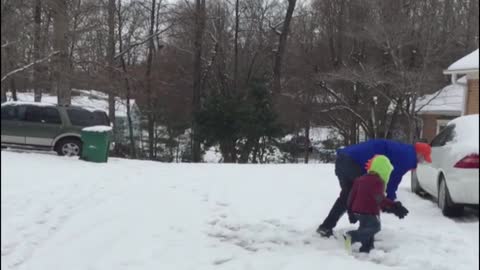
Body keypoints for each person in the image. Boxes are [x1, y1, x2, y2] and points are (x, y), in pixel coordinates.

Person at [316, 139, 432, 237]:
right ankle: (364, 232)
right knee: (367, 194)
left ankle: (326, 227)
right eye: (424, 158)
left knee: (348, 196)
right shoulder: (408, 157)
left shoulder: (404, 150)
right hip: (354, 163)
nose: (422, 161)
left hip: (343, 159)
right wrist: (391, 201)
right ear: (419, 154)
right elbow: (393, 178)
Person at [344, 155, 406, 253]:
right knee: (375, 227)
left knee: (365, 228)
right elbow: (379, 199)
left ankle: (366, 248)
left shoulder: (360, 179)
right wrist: (394, 206)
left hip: (357, 211)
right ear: (384, 170)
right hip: (369, 212)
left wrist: (350, 211)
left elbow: (351, 196)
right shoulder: (377, 181)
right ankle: (352, 236)